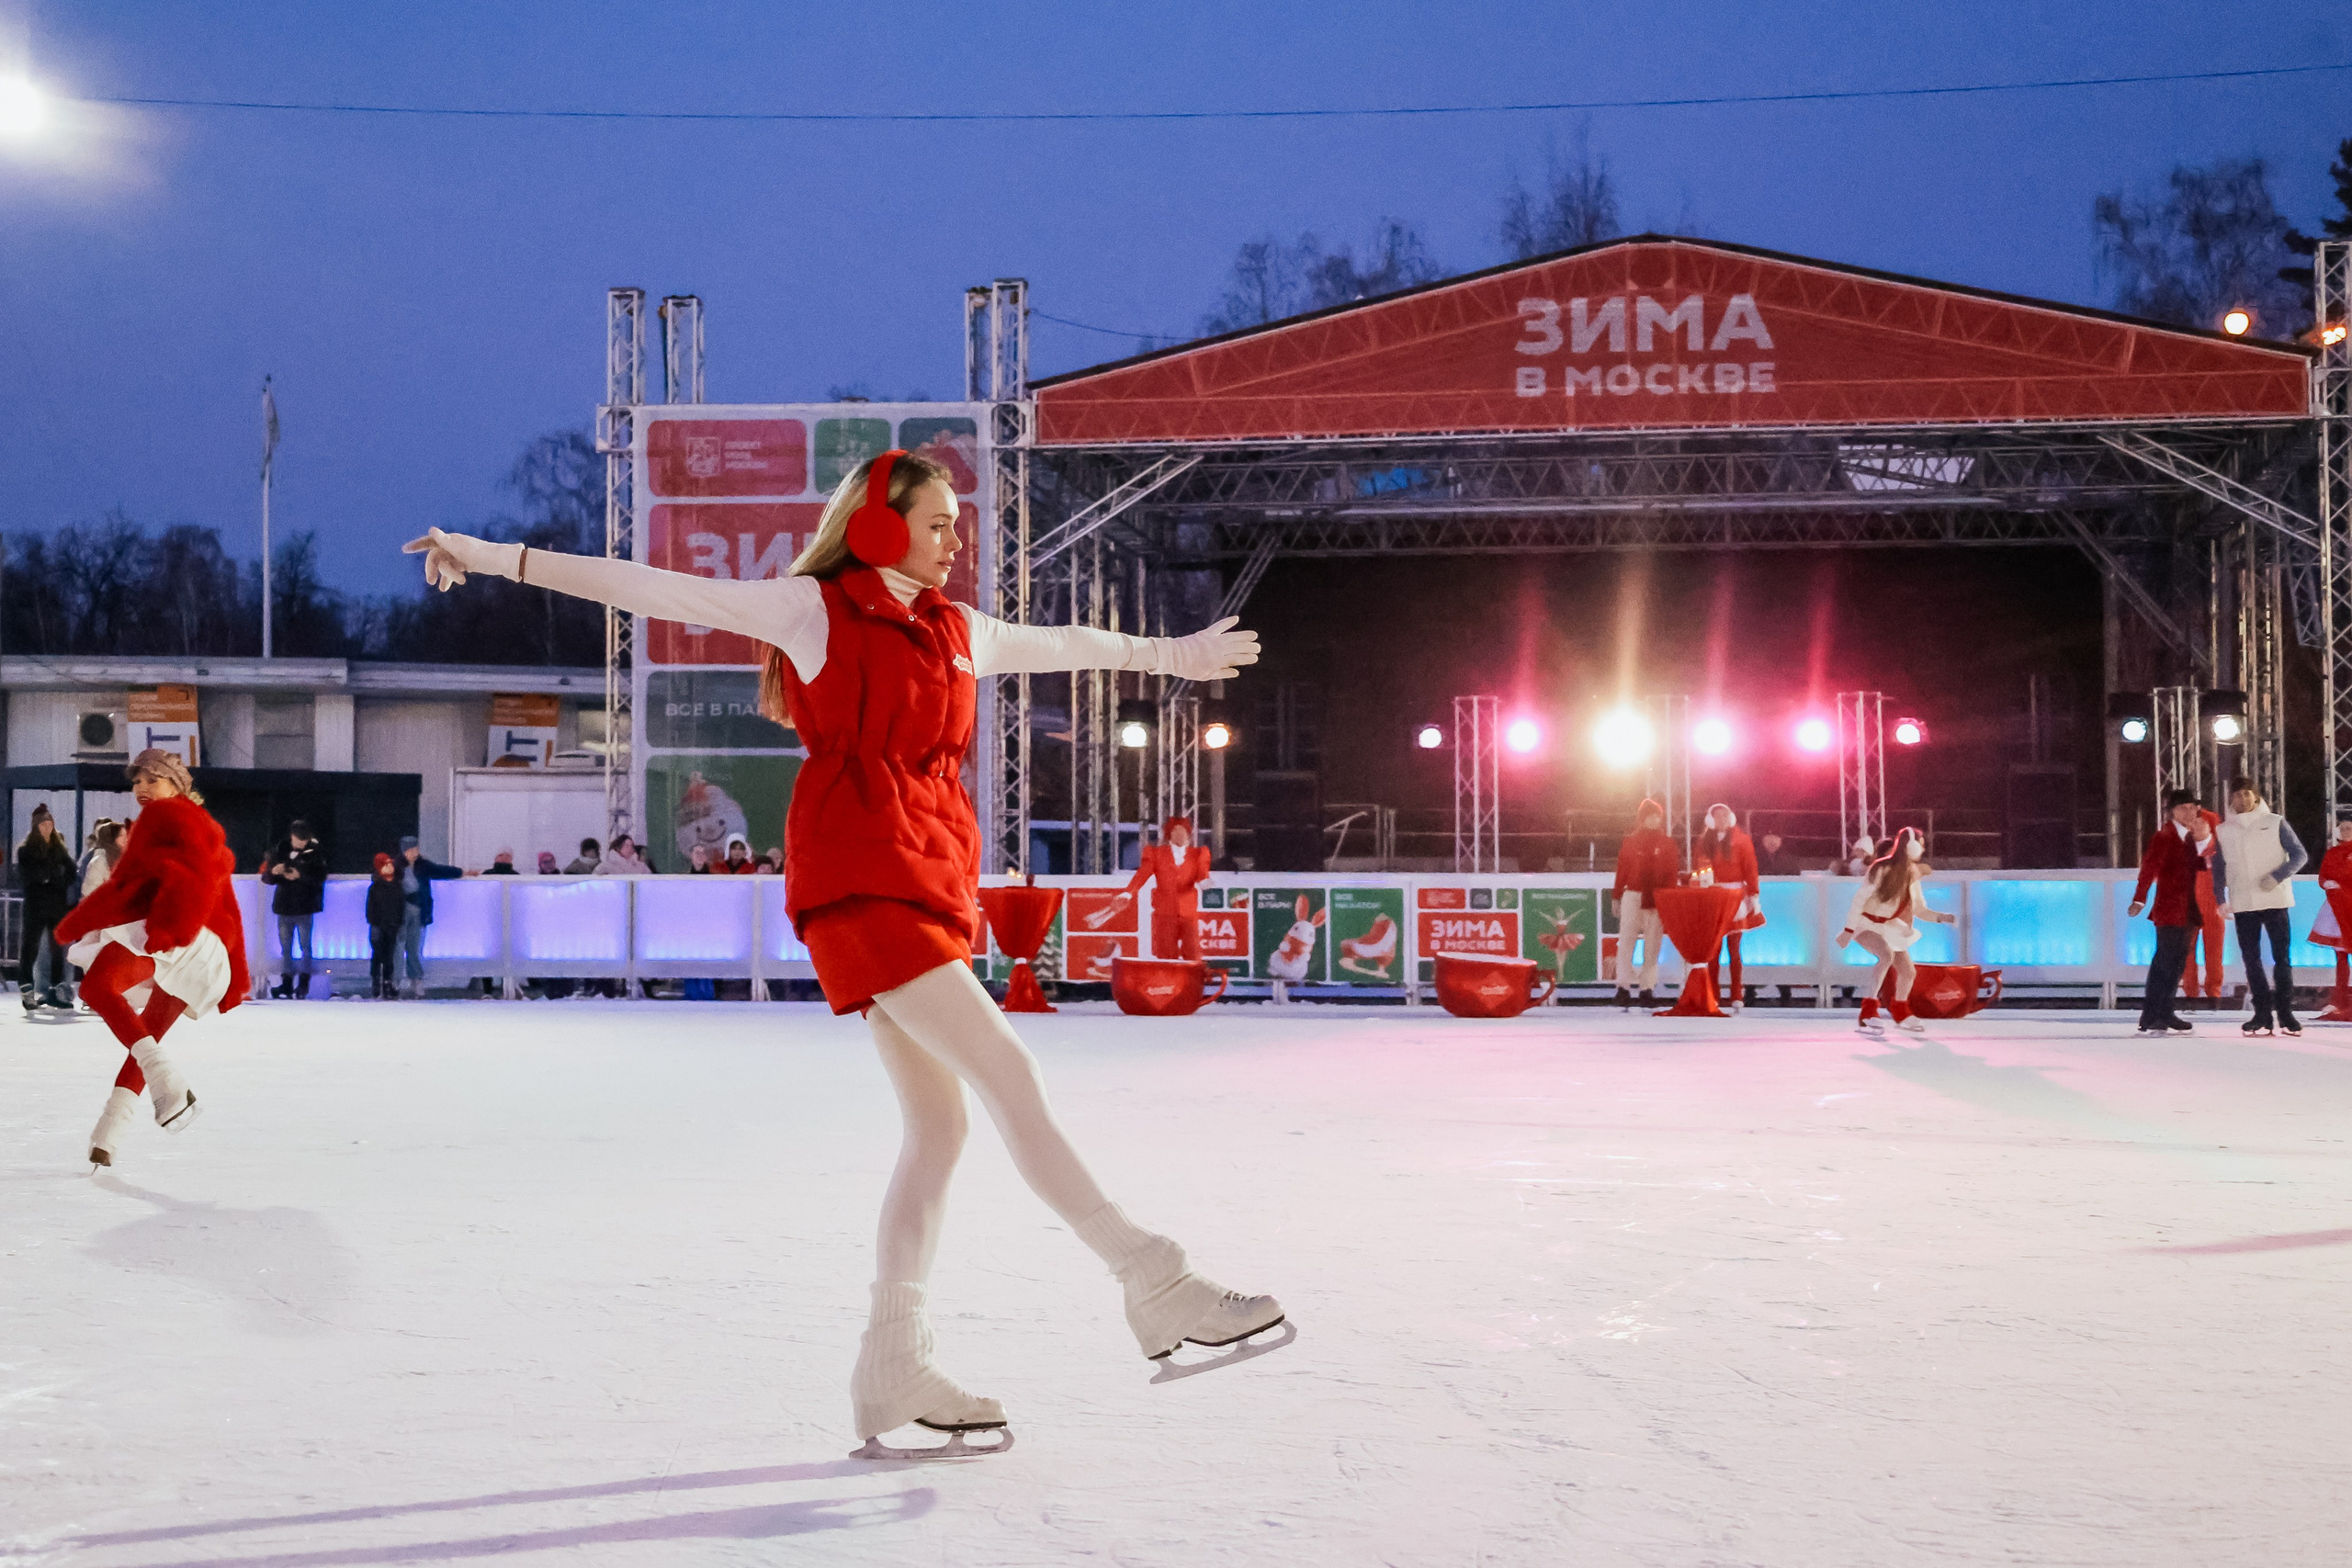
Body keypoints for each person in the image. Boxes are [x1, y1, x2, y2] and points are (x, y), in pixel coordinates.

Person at [408, 446, 1282, 1459]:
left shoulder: (960, 631)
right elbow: (649, 588)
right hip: (863, 874)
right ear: (878, 526)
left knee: (941, 1128)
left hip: (928, 870)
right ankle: (1154, 1281)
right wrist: (488, 553)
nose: (956, 540)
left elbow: (1066, 641)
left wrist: (1171, 657)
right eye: (938, 521)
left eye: (959, 523)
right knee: (1009, 1070)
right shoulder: (815, 611)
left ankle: (891, 1366)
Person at [55, 750, 249, 1168]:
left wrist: (167, 929)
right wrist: (235, 973)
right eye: (137, 781)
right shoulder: (200, 822)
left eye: (152, 780)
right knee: (146, 1034)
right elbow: (225, 903)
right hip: (201, 946)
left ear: (177, 785)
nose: (141, 789)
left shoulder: (166, 818)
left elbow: (185, 879)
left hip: (175, 931)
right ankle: (109, 1133)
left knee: (97, 988)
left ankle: (166, 1080)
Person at [1834, 826, 1955, 1034]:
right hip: (1866, 923)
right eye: (1922, 844)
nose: (1923, 849)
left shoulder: (1910, 874)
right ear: (1912, 846)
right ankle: (1869, 1010)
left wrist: (1939, 917)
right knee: (1886, 955)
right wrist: (1848, 929)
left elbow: (1919, 908)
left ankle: (1901, 1012)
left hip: (1889, 926)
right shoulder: (1880, 868)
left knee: (1908, 971)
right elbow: (1859, 900)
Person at [2212, 776, 2307, 1038]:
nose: (2242, 799)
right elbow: (2219, 867)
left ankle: (2286, 1013)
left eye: (2247, 794)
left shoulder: (2274, 821)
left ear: (2257, 796)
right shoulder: (2223, 830)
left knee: (2282, 958)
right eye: (2237, 795)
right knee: (2251, 960)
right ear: (2230, 798)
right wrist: (2220, 898)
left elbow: (2300, 855)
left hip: (2275, 899)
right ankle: (2262, 1013)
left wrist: (2277, 876)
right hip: (2244, 901)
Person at [2127, 788, 2216, 1036]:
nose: (2189, 812)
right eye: (2183, 808)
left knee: (2176, 962)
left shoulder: (2189, 836)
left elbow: (2200, 865)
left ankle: (2162, 1011)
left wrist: (2203, 844)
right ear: (2173, 812)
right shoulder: (2164, 837)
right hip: (2170, 907)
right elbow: (2149, 868)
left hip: (2187, 906)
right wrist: (2139, 898)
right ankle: (2155, 1013)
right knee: (2165, 962)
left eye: (2192, 808)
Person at [1692, 803, 1765, 1012]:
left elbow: (1750, 869)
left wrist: (1753, 895)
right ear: (1710, 819)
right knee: (1713, 950)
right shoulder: (1703, 841)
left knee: (1734, 949)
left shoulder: (1742, 840)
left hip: (1734, 897)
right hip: (1713, 896)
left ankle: (1736, 994)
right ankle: (1713, 994)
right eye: (1717, 815)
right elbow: (1700, 868)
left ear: (1731, 817)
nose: (1721, 819)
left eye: (1724, 815)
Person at [1112, 817, 1213, 958]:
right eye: (1176, 831)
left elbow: (1202, 870)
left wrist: (1204, 880)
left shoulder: (1198, 854)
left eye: (1183, 831)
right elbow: (1143, 873)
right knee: (1166, 953)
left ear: (1188, 833)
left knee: (1193, 951)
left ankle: (1192, 979)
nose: (1180, 834)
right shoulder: (1157, 854)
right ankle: (1167, 979)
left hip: (1188, 912)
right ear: (1169, 835)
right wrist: (1128, 892)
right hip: (1165, 913)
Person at [1611, 797, 1679, 1008]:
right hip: (1633, 894)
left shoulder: (1667, 843)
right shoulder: (1630, 841)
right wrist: (1616, 896)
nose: (1654, 820)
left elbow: (1671, 873)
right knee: (1626, 942)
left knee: (1653, 945)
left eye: (1657, 816)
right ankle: (1623, 987)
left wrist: (1667, 898)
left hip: (1656, 897)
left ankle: (1646, 988)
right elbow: (1622, 870)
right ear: (1642, 819)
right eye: (1650, 816)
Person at [17, 804, 78, 1013]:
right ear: (36, 826)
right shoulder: (26, 850)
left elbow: (71, 872)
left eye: (50, 823)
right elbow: (32, 877)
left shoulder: (59, 848)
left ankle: (55, 990)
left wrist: (53, 877)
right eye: (43, 824)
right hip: (36, 906)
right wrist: (52, 875)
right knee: (31, 947)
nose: (47, 827)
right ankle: (27, 987)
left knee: (58, 948)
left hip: (57, 906)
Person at [261, 818, 328, 999]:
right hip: (285, 906)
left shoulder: (315, 853)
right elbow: (267, 878)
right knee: (286, 948)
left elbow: (320, 877)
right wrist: (274, 872)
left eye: (304, 839)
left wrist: (300, 875)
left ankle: (303, 984)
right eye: (299, 839)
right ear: (292, 837)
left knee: (305, 947)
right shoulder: (280, 850)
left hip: (305, 906)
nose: (302, 842)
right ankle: (287, 983)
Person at [396, 836, 464, 998]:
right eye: (411, 850)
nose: (414, 853)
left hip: (419, 910)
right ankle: (395, 980)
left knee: (415, 947)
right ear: (404, 851)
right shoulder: (396, 866)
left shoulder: (423, 866)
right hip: (399, 912)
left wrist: (461, 872)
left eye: (416, 849)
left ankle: (416, 979)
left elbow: (440, 871)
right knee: (398, 947)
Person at [2180, 800, 2230, 1010]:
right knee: (2186, 951)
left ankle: (2213, 994)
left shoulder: (2219, 852)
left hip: (2212, 906)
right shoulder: (2183, 848)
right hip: (2188, 906)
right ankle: (2190, 993)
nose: (2196, 827)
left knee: (2214, 951)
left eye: (2200, 824)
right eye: (2193, 824)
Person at [2310, 816, 2352, 1021]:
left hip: (2349, 904)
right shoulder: (2333, 853)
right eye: (2343, 828)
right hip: (2336, 907)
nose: (2345, 831)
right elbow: (2323, 875)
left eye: (2349, 828)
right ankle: (2339, 999)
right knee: (2341, 958)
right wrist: (2327, 883)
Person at [366, 852, 405, 999]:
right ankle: (376, 980)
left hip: (392, 925)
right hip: (378, 926)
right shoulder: (375, 888)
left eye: (390, 863)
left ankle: (387, 983)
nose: (390, 866)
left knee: (389, 957)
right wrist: (374, 922)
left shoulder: (397, 886)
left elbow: (401, 906)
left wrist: (399, 922)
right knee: (377, 955)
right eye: (385, 864)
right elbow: (370, 909)